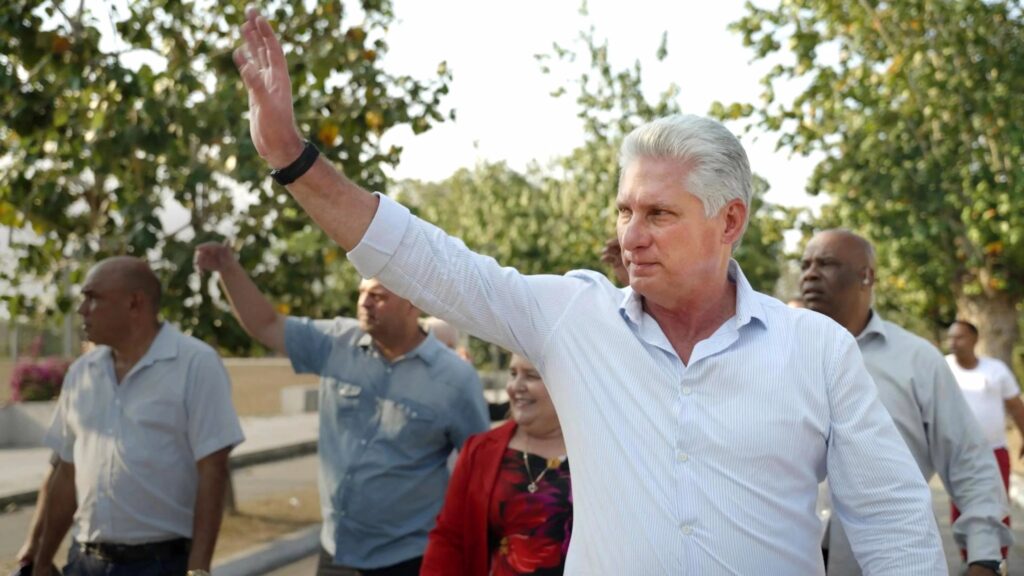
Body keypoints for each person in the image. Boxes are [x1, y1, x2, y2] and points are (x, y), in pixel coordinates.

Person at [230, 10, 945, 573]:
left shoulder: (816, 350)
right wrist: (292, 158)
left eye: (659, 214)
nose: (632, 235)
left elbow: (891, 519)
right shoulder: (574, 317)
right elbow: (430, 262)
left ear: (730, 221)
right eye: (625, 210)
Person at [193, 243, 489, 575]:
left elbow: (481, 471)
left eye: (378, 296)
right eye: (362, 293)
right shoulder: (336, 343)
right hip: (337, 553)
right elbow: (267, 325)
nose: (364, 303)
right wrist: (228, 269)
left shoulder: (455, 379)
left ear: (413, 303)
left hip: (410, 559)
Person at [800, 230, 1011, 576]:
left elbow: (968, 460)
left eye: (826, 263)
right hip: (789, 556)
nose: (810, 274)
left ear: (866, 276)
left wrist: (984, 556)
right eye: (805, 264)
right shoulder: (777, 356)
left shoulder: (917, 360)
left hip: (888, 561)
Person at [30, 256, 244, 576]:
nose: (82, 309)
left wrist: (199, 570)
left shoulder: (195, 364)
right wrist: (42, 558)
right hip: (84, 562)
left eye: (93, 298)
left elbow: (213, 471)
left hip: (159, 565)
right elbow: (65, 471)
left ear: (134, 303)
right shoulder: (81, 373)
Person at [423, 354, 571, 575]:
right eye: (513, 374)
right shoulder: (480, 450)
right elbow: (450, 538)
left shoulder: (599, 452)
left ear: (567, 384)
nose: (515, 387)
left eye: (531, 375)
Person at [946, 319, 1024, 558]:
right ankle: (970, 559)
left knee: (997, 506)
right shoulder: (942, 368)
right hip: (959, 453)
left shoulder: (995, 370)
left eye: (960, 337)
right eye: (951, 337)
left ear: (974, 339)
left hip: (994, 451)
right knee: (962, 507)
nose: (953, 343)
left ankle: (999, 560)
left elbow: (1015, 406)